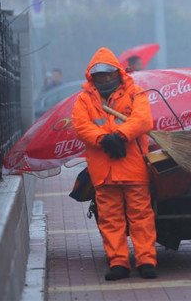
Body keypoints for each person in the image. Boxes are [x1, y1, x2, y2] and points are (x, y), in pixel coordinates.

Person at [72, 47, 157, 281]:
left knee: (140, 217)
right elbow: (81, 126)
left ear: (117, 72)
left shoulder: (135, 93)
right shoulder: (84, 99)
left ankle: (146, 261)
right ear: (93, 77)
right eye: (100, 76)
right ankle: (118, 262)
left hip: (132, 168)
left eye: (108, 74)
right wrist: (103, 139)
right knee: (110, 219)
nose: (105, 79)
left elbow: (143, 120)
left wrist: (119, 136)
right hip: (105, 170)